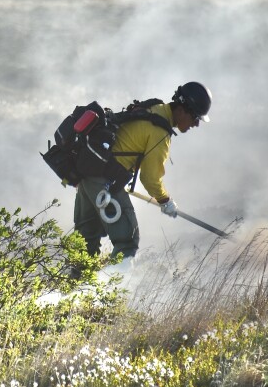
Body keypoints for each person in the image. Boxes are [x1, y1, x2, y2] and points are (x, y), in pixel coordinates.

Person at [73, 81, 212, 260]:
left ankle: (74, 284)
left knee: (85, 242)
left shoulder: (155, 107)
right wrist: (165, 201)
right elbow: (150, 178)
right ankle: (114, 287)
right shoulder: (160, 132)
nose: (196, 124)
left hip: (88, 177)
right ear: (182, 109)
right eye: (195, 118)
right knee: (127, 242)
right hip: (105, 184)